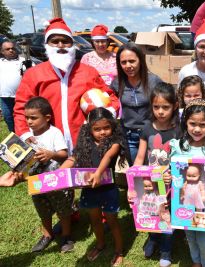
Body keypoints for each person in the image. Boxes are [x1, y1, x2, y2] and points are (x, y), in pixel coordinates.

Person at [14, 18, 119, 154]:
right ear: (47, 44)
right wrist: (25, 133)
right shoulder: (34, 74)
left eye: (65, 41)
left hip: (84, 143)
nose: (60, 45)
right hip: (48, 147)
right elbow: (21, 106)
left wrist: (109, 112)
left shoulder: (88, 72)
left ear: (72, 44)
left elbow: (109, 96)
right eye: (55, 41)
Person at [165, 99, 205, 267]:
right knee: (190, 237)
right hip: (184, 204)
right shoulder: (179, 147)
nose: (197, 129)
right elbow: (173, 171)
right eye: (192, 123)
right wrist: (168, 177)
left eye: (202, 125)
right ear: (185, 122)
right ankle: (196, 261)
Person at [60, 107, 127, 266]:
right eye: (97, 129)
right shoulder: (85, 143)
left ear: (113, 126)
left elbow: (107, 156)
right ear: (89, 129)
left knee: (112, 221)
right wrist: (59, 173)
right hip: (89, 190)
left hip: (108, 189)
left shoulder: (115, 143)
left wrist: (98, 174)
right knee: (95, 220)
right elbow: (73, 158)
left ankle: (119, 251)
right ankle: (100, 245)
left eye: (106, 128)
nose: (102, 132)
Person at [133, 82, 179, 267]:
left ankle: (166, 250)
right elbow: (140, 158)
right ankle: (153, 238)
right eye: (156, 107)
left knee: (167, 216)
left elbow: (181, 159)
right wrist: (136, 180)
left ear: (175, 106)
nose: (160, 111)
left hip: (170, 184)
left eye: (165, 107)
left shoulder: (178, 130)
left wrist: (174, 177)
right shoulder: (147, 129)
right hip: (150, 183)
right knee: (152, 211)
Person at [23, 97, 75, 253]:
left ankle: (66, 236)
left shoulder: (54, 133)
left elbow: (63, 154)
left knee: (63, 208)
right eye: (27, 118)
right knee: (42, 208)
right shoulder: (27, 136)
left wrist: (50, 154)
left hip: (55, 181)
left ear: (47, 118)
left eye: (33, 118)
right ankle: (47, 234)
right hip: (36, 181)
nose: (29, 121)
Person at [110, 42, 162, 164]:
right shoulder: (116, 83)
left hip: (151, 135)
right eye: (124, 62)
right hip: (129, 137)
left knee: (154, 174)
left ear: (140, 60)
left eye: (132, 61)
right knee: (136, 175)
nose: (128, 65)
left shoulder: (154, 81)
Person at [0, 40, 33, 132]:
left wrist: (29, 67)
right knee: (8, 118)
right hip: (5, 98)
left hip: (23, 97)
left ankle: (28, 137)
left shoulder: (25, 61)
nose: (11, 50)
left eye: (12, 48)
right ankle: (15, 137)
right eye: (7, 49)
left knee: (26, 118)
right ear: (2, 51)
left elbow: (34, 75)